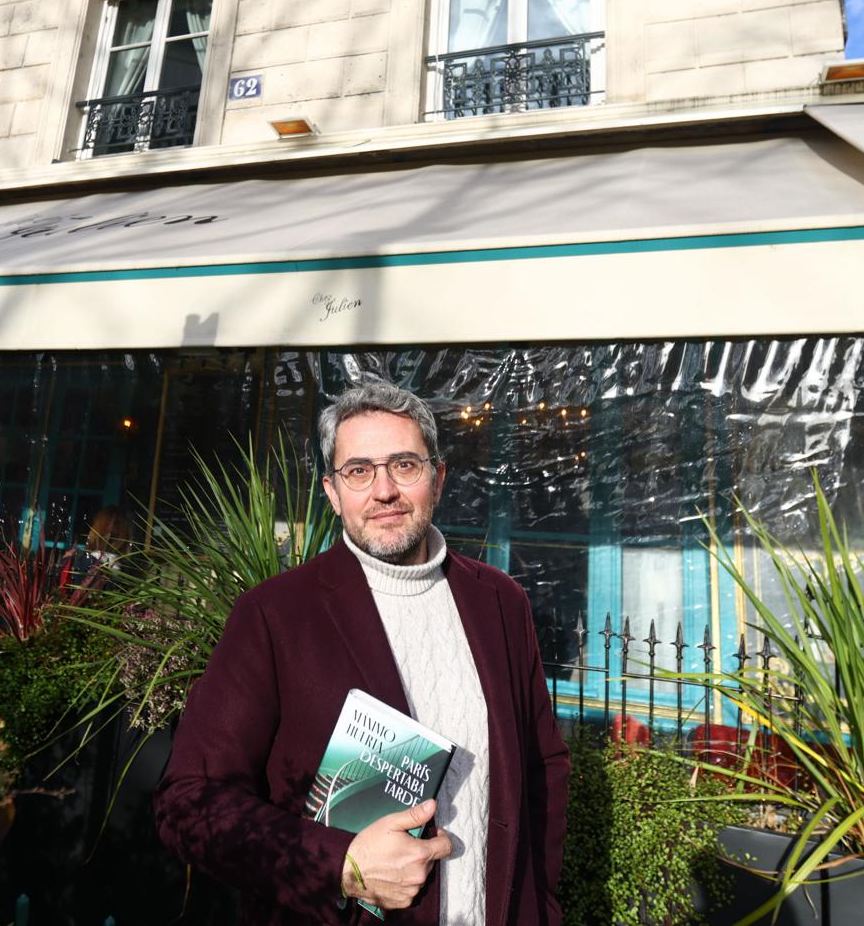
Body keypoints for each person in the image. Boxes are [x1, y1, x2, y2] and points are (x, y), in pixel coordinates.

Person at [154, 380, 569, 925]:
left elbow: (544, 771)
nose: (384, 491)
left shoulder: (500, 601)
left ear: (438, 478)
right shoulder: (276, 614)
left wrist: (539, 909)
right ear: (332, 491)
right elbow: (188, 800)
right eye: (359, 471)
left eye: (404, 465)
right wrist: (340, 864)